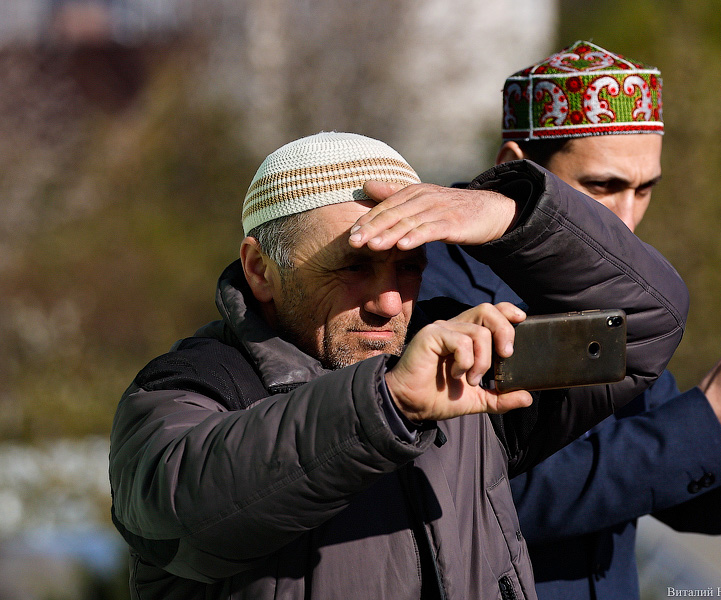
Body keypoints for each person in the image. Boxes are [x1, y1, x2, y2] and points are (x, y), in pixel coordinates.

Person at [108, 131, 690, 599]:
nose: (389, 304)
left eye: (409, 267)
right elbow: (181, 512)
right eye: (353, 267)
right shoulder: (191, 386)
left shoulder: (459, 367)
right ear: (260, 269)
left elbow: (642, 328)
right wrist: (389, 404)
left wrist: (512, 217)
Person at [419, 41, 721, 599]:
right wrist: (709, 418)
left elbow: (698, 502)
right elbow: (490, 495)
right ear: (513, 170)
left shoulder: (624, 293)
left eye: (645, 189)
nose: (625, 219)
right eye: (602, 187)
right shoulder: (428, 288)